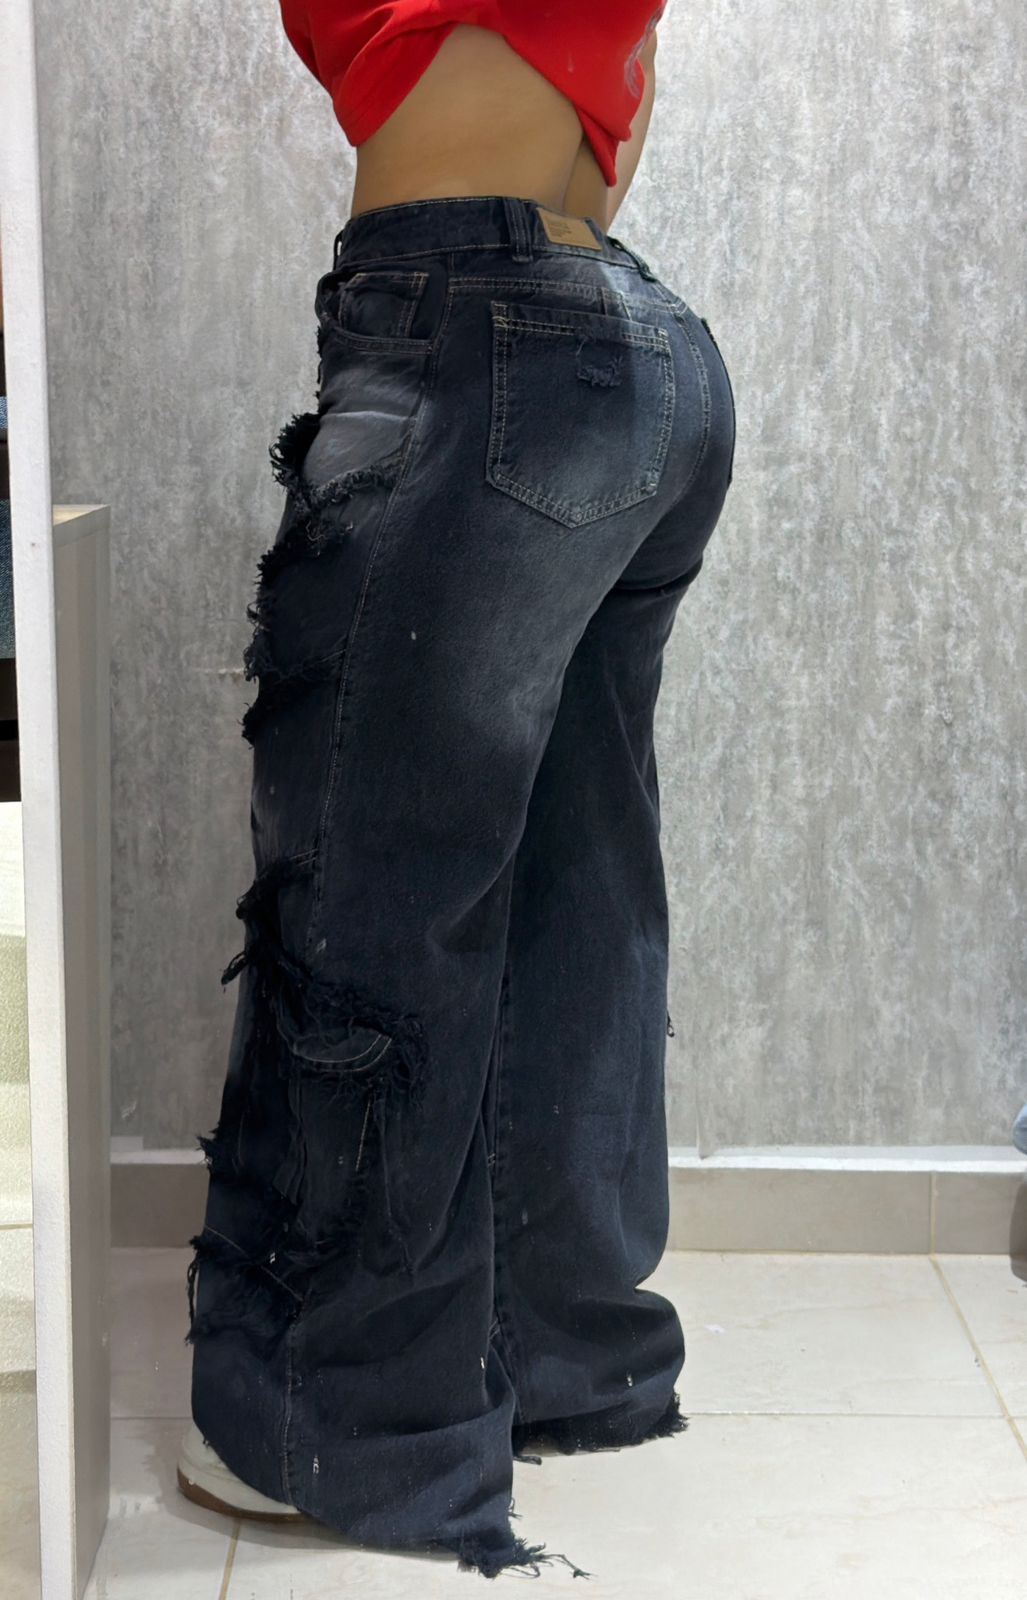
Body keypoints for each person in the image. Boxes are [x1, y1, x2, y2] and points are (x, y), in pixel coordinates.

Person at [177, 2, 736, 1580]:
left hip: (468, 326)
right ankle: (567, 1355)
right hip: (643, 357)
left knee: (365, 904)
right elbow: (618, 104)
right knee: (574, 897)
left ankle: (350, 1429)